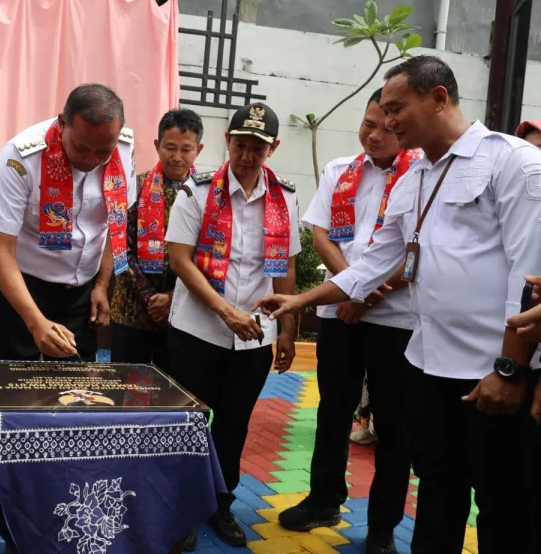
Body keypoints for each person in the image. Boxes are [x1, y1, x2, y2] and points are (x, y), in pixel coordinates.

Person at [256, 56, 541, 554]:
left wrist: (511, 369)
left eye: (395, 108)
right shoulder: (414, 179)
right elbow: (369, 267)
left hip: (490, 373)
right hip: (427, 366)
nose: (386, 122)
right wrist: (300, 299)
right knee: (436, 491)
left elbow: (528, 275)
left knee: (504, 506)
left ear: (438, 98)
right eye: (382, 111)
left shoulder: (513, 162)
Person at [277, 89, 418, 554]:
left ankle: (381, 527)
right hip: (338, 311)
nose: (374, 134)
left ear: (402, 127)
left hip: (396, 318)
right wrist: (353, 286)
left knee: (394, 425)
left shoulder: (420, 175)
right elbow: (319, 234)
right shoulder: (340, 170)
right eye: (367, 124)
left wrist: (371, 293)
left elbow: (420, 250)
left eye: (385, 126)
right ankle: (323, 499)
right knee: (332, 410)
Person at [165, 102, 299, 549]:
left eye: (257, 148)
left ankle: (220, 505)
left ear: (272, 148)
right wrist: (225, 311)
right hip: (196, 332)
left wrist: (288, 331)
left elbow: (286, 270)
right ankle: (179, 509)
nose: (247, 155)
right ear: (228, 141)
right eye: (240, 144)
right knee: (186, 422)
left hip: (256, 336)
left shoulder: (286, 198)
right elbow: (180, 261)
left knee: (234, 424)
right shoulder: (196, 192)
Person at [0, 83, 136, 362]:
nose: (91, 160)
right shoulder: (20, 157)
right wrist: (35, 322)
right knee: (11, 385)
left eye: (103, 152)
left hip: (81, 292)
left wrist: (101, 284)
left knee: (74, 389)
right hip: (21, 287)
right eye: (81, 148)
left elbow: (116, 222)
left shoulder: (124, 150)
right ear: (62, 123)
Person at [110, 108, 203, 370]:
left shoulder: (207, 196)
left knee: (172, 391)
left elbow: (207, 252)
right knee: (125, 389)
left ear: (199, 149)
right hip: (131, 308)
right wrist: (150, 297)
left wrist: (172, 297)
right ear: (157, 145)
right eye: (170, 147)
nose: (177, 157)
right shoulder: (134, 188)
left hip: (183, 307)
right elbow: (121, 247)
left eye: (186, 149)